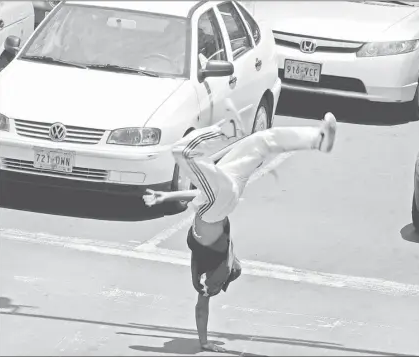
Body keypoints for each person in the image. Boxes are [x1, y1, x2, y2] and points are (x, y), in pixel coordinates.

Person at [143, 101, 337, 352]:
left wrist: (165, 197)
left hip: (227, 186)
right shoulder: (205, 277)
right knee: (182, 152)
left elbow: (201, 191)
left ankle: (318, 139)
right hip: (217, 201)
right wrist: (204, 343)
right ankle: (228, 131)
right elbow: (201, 308)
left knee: (262, 141)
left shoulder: (221, 246)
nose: (235, 262)